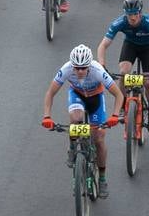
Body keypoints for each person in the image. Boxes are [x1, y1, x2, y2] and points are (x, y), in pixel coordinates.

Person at [41, 45, 125, 197]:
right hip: (77, 95)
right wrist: (47, 116)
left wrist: (114, 115)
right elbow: (50, 93)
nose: (79, 71)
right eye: (77, 68)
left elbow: (119, 95)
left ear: (89, 65)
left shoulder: (98, 70)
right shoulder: (66, 69)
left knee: (99, 138)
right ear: (72, 65)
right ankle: (73, 147)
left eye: (83, 68)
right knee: (75, 118)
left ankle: (102, 178)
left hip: (95, 99)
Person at [96, 0, 149, 132]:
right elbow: (103, 45)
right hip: (130, 45)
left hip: (148, 47)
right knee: (124, 72)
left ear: (140, 13)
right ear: (125, 14)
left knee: (148, 82)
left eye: (135, 14)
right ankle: (124, 105)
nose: (133, 17)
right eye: (129, 14)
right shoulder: (120, 23)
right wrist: (102, 65)